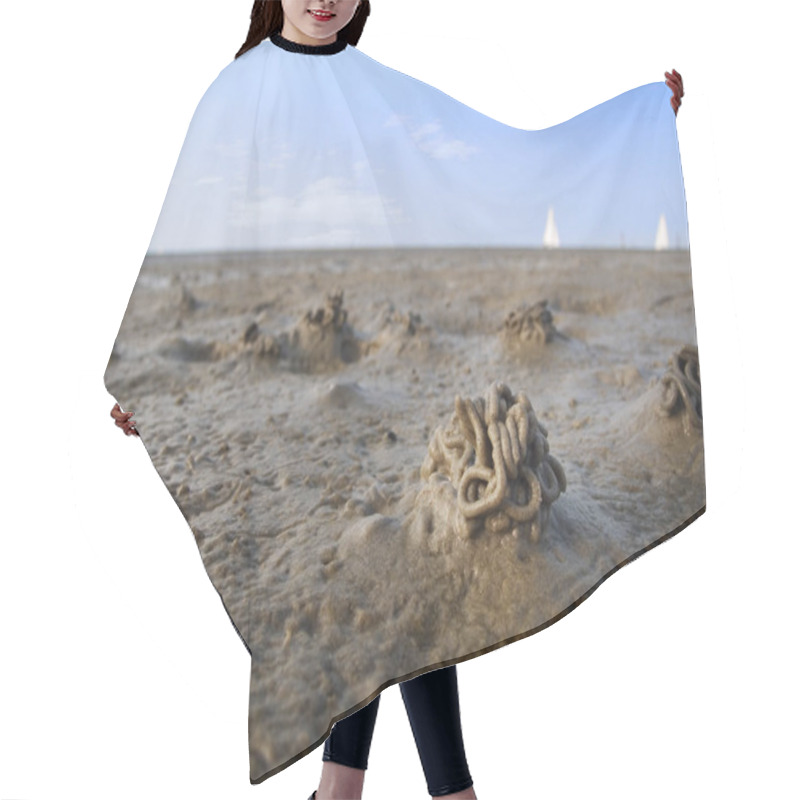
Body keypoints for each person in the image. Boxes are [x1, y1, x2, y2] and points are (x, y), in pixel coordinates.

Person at [110, 2, 685, 798]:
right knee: (369, 574)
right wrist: (147, 382)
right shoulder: (236, 90)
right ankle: (422, 791)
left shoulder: (371, 83)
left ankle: (353, 789)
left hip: (382, 359)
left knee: (410, 557)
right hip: (286, 379)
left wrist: (638, 123)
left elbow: (493, 160)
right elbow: (179, 235)